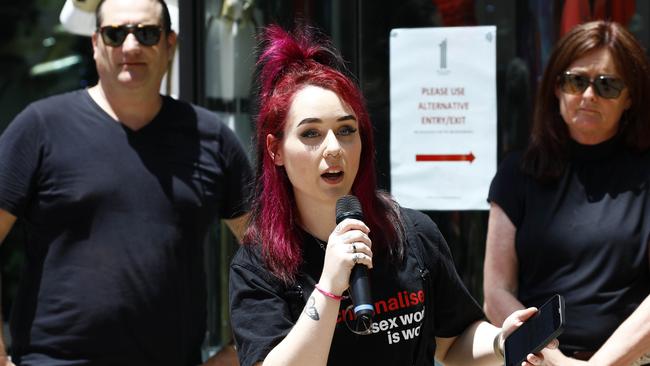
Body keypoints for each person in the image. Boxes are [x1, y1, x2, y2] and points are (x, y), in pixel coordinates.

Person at [228, 24, 554, 366]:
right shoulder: (259, 267)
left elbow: (454, 340)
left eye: (346, 130)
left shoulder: (411, 234)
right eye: (311, 133)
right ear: (275, 149)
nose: (334, 148)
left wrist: (503, 340)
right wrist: (329, 286)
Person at [0, 0, 252, 365]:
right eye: (115, 34)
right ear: (95, 44)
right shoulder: (40, 128)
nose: (130, 46)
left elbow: (273, 256)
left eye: (147, 34)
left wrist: (234, 354)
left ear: (170, 45)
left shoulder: (210, 138)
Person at [483, 20, 650, 366]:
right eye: (576, 81)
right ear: (557, 89)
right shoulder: (518, 171)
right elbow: (496, 291)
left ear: (630, 97)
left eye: (607, 85)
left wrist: (598, 365)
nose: (588, 95)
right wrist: (551, 357)